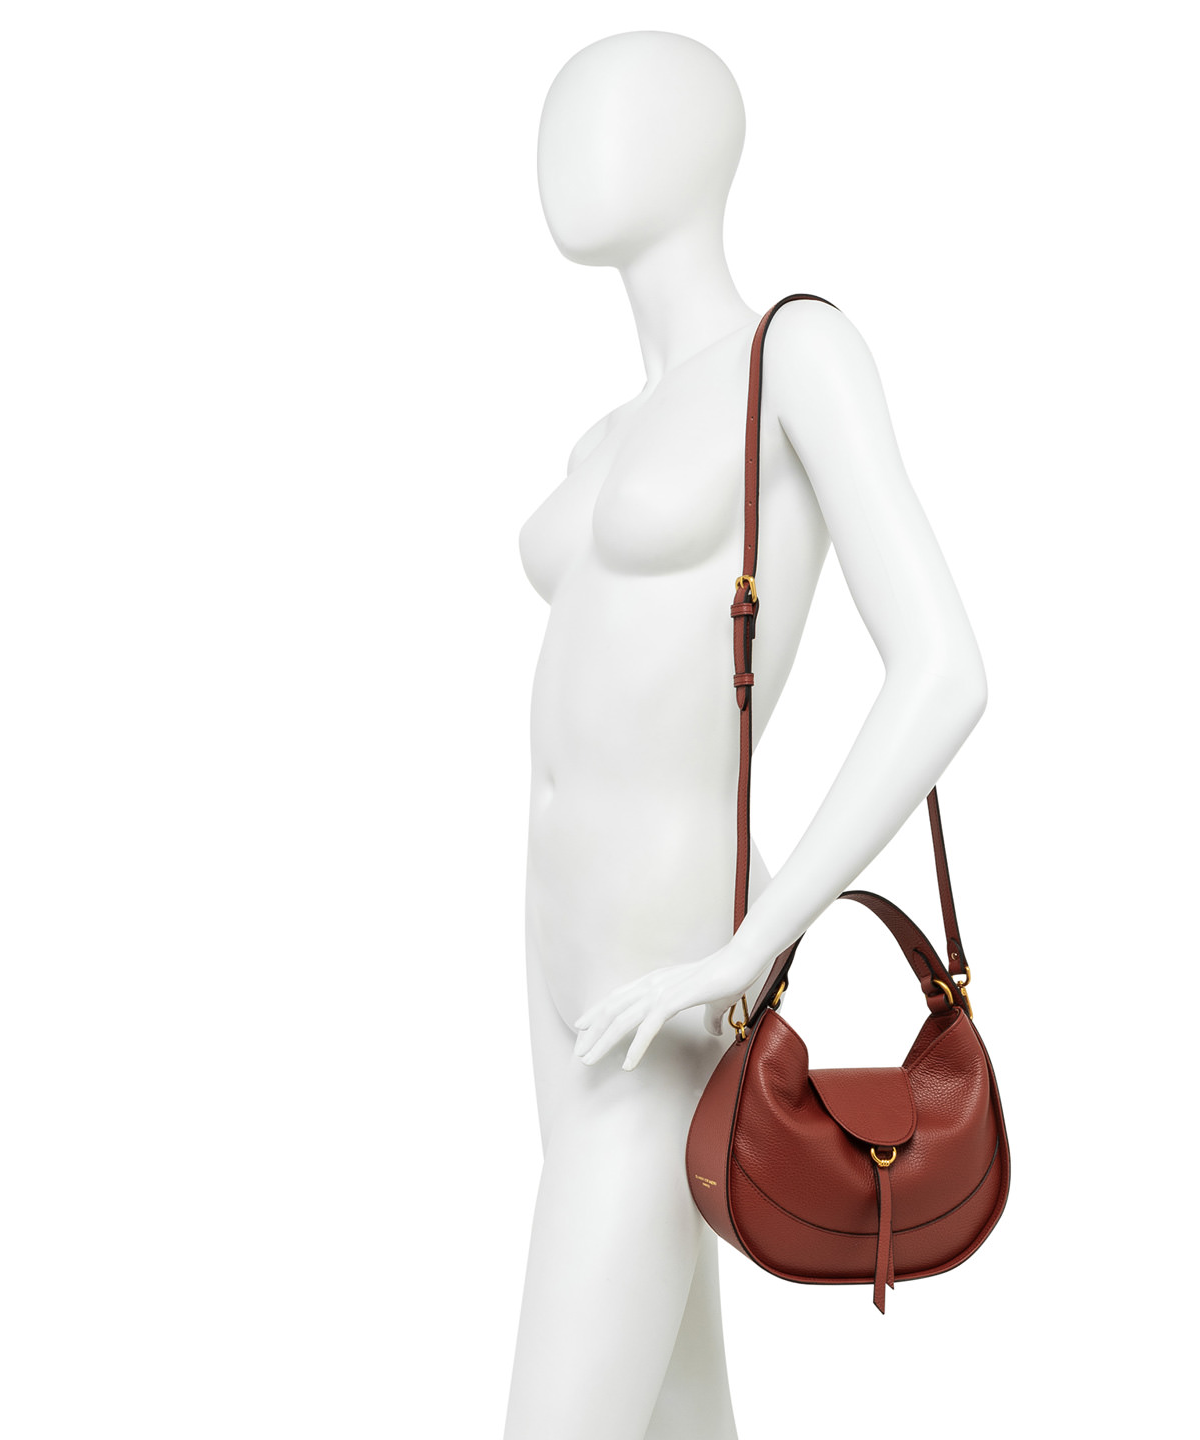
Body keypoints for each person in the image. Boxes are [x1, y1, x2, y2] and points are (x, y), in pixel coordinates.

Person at [508, 31, 988, 1440]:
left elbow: (944, 670)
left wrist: (752, 944)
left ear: (704, 145)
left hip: (673, 955)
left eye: (613, 110)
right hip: (559, 951)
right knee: (672, 1402)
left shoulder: (796, 353)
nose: (569, 143)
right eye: (557, 114)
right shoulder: (607, 434)